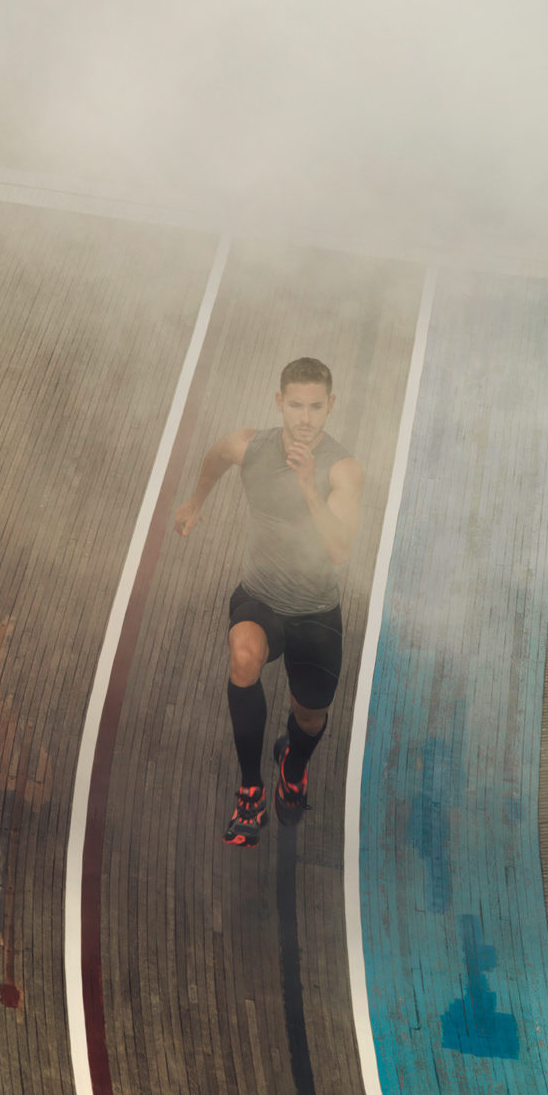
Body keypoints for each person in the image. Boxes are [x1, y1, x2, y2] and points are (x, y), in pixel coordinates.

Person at [173, 357, 364, 847]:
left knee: (309, 717)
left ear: (331, 407)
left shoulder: (343, 469)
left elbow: (340, 551)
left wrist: (307, 486)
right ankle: (251, 790)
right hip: (259, 596)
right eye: (296, 405)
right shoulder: (250, 445)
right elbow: (216, 457)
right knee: (243, 657)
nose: (305, 417)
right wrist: (196, 502)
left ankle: (292, 765)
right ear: (279, 403)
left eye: (315, 407)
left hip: (315, 611)